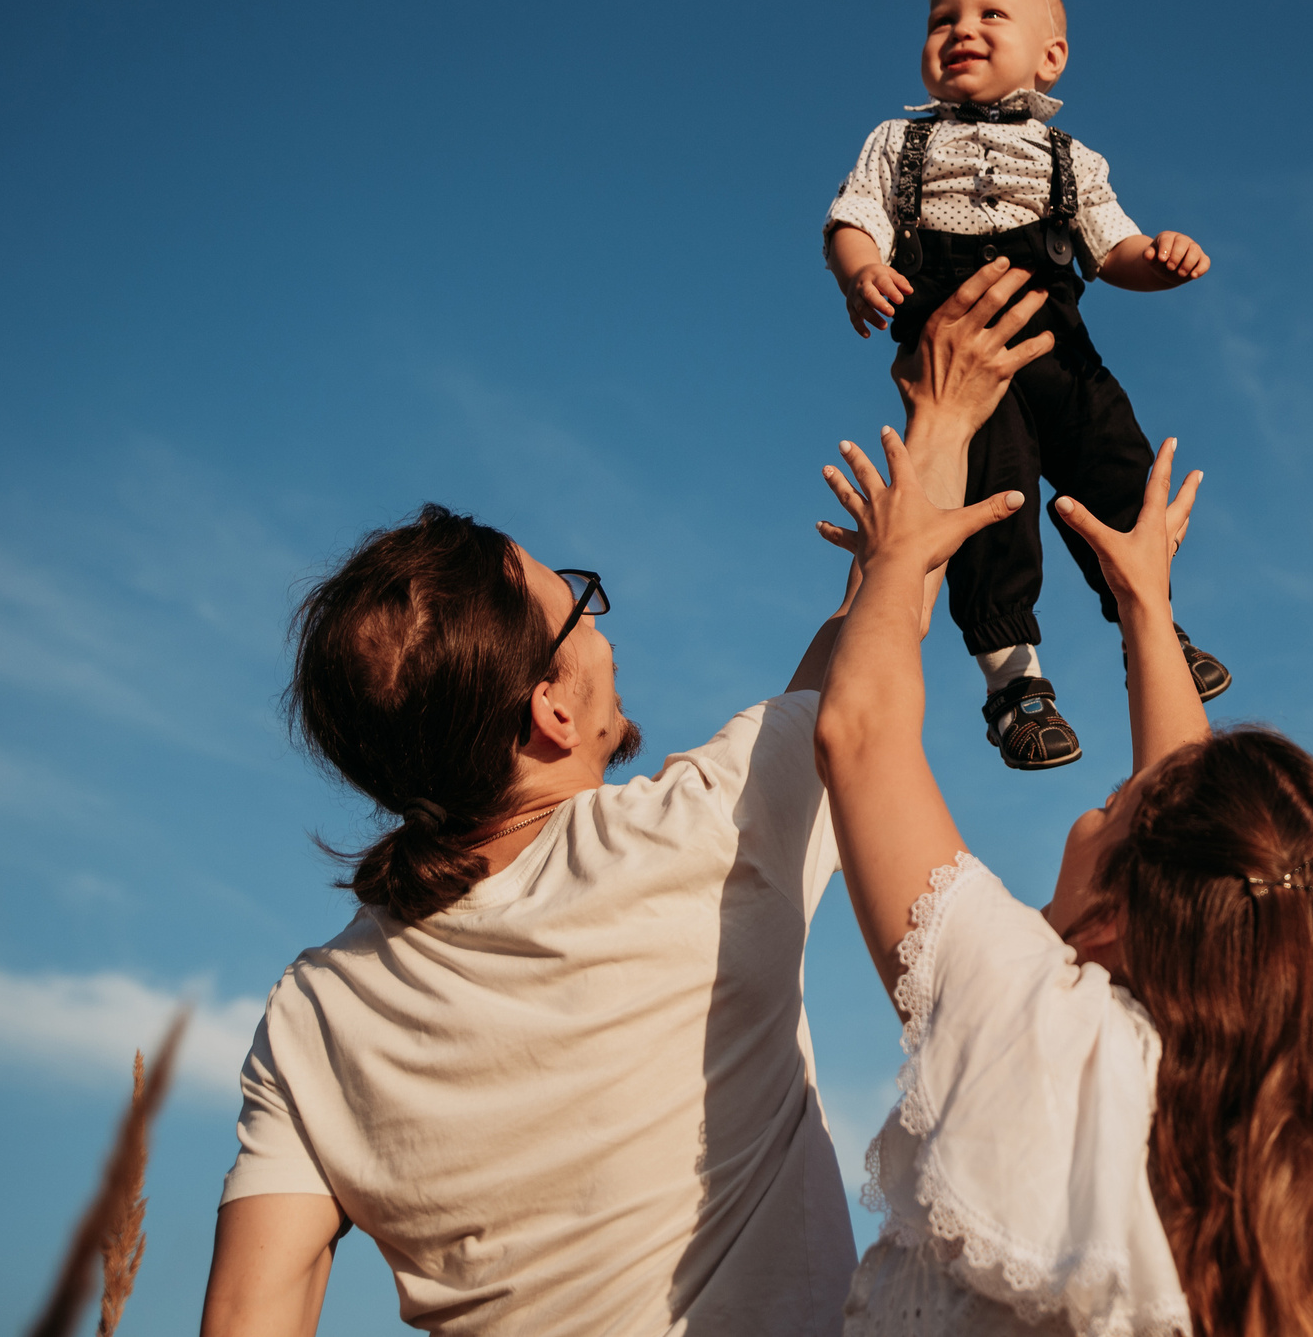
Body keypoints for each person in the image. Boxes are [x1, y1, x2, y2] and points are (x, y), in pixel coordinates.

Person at [810, 267, 1313, 1337]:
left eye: (1122, 801)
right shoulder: (1269, 1166)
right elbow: (1207, 863)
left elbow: (861, 731)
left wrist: (903, 541)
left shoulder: (1034, 1020)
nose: (1122, 784)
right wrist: (1143, 608)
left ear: (1118, 916)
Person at [198, 497, 874, 1332]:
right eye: (580, 609)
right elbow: (867, 659)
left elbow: (247, 1314)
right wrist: (925, 474)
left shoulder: (317, 1011)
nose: (604, 634)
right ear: (550, 708)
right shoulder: (703, 830)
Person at [822, 0, 1231, 772]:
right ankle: (1014, 684)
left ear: (1050, 58)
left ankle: (1149, 622)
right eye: (943, 20)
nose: (961, 31)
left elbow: (1113, 248)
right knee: (991, 504)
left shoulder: (1071, 158)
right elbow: (853, 218)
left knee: (1119, 465)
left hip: (1059, 348)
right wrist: (861, 270)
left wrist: (1159, 258)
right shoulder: (898, 142)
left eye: (990, 15)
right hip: (962, 359)